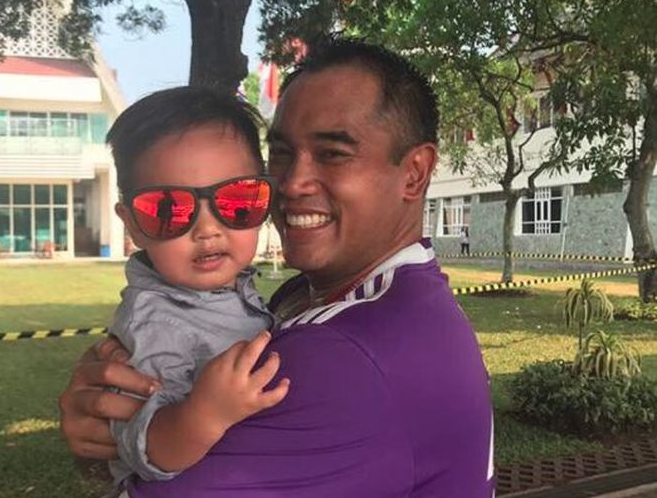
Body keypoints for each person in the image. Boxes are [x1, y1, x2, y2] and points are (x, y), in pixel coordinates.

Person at [59, 40, 494, 497]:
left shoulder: (348, 356)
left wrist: (106, 448)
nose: (292, 183)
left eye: (332, 153)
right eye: (282, 153)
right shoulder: (310, 296)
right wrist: (104, 417)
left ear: (415, 173)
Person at [104, 87, 290, 493]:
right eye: (169, 210)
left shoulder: (235, 289)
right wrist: (204, 414)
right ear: (133, 224)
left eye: (238, 200)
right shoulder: (156, 322)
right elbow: (143, 447)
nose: (207, 229)